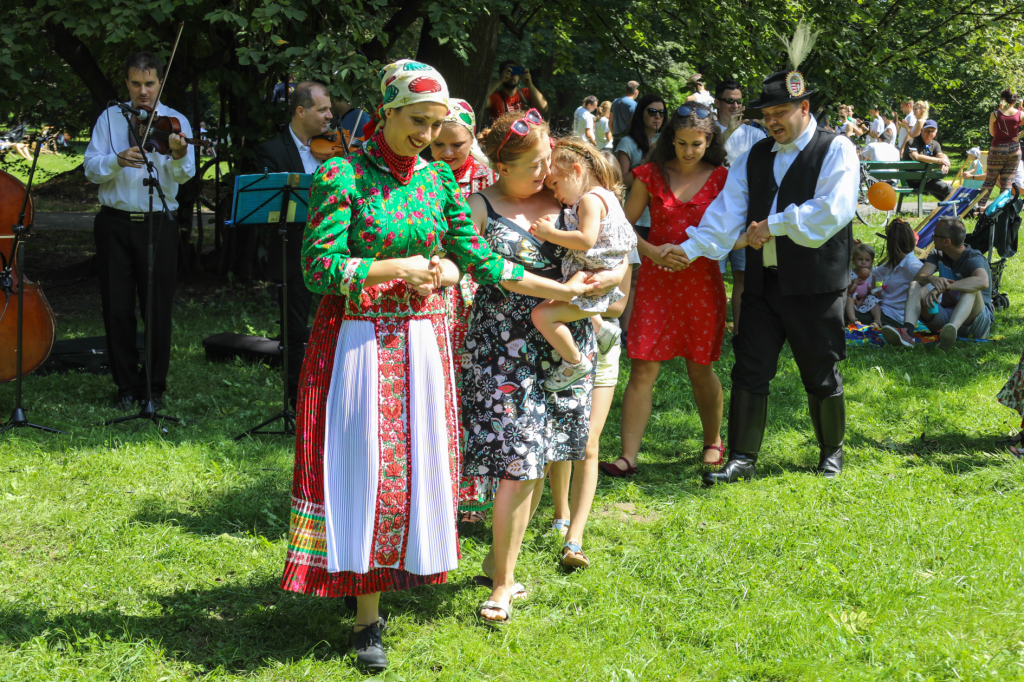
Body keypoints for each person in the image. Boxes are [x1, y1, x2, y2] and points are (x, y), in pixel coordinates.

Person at [281, 61, 560, 671]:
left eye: (436, 124)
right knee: (365, 474)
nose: (426, 134)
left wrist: (562, 293)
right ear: (385, 112)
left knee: (409, 474)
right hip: (357, 344)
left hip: (424, 345)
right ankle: (365, 618)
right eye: (416, 120)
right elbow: (317, 269)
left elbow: (479, 260)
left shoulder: (437, 181)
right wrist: (395, 268)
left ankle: (392, 576)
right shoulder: (341, 175)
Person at [462, 110, 625, 626]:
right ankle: (505, 583)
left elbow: (613, 244)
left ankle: (498, 560)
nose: (544, 172)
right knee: (520, 459)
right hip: (503, 346)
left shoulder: (563, 200)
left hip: (559, 346)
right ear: (501, 165)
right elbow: (490, 273)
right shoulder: (479, 206)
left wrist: (616, 272)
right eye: (533, 164)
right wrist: (563, 290)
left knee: (541, 455)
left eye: (548, 161)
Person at [670, 58, 860, 485]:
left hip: (814, 283)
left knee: (820, 368)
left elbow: (832, 211)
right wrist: (686, 250)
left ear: (804, 109)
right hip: (762, 282)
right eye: (766, 115)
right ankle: (741, 459)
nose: (770, 122)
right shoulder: (753, 155)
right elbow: (725, 214)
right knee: (749, 368)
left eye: (779, 113)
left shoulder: (837, 149)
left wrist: (772, 225)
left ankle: (831, 454)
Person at [600, 103, 730, 476]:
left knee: (700, 367)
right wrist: (652, 251)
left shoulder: (723, 179)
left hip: (701, 280)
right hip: (657, 281)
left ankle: (712, 441)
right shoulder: (649, 174)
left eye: (697, 144)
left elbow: (731, 231)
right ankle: (629, 456)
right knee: (642, 366)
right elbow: (623, 229)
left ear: (710, 142)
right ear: (670, 138)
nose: (688, 151)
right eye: (681, 143)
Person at [83, 51, 196, 412]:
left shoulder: (175, 121)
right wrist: (116, 160)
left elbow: (186, 174)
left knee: (157, 308)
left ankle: (154, 387)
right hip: (114, 222)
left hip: (159, 223)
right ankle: (126, 386)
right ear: (127, 83)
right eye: (135, 83)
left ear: (159, 82)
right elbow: (90, 168)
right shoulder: (110, 117)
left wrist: (177, 156)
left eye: (149, 84)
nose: (142, 91)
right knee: (116, 306)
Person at [428, 98, 500, 524]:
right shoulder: (422, 177)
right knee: (440, 389)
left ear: (473, 139)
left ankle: (473, 494)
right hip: (436, 294)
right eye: (440, 145)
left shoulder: (490, 179)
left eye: (457, 144)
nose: (448, 153)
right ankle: (440, 486)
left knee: (474, 391)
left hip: (480, 296)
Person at [529, 139, 636, 390]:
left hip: (593, 279)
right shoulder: (607, 196)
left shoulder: (589, 200)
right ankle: (602, 330)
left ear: (577, 170)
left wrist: (549, 233)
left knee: (541, 315)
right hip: (599, 273)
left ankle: (575, 361)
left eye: (555, 184)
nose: (555, 194)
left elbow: (586, 239)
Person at [254, 81, 334, 409]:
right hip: (295, 252)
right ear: (301, 112)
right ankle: (298, 400)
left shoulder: (335, 147)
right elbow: (266, 210)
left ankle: (333, 393)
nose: (331, 115)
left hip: (335, 252)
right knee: (295, 330)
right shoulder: (271, 151)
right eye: (323, 110)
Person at [881, 216, 993, 350]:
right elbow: (919, 277)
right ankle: (908, 333)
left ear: (946, 241)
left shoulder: (973, 257)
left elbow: (983, 281)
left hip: (976, 321)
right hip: (945, 315)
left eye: (935, 235)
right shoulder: (938, 253)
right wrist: (930, 278)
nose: (932, 238)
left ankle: (950, 332)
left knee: (971, 289)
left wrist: (946, 287)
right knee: (915, 284)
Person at [715, 79, 766, 332]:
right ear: (717, 103)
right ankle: (712, 329)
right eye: (729, 101)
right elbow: (705, 161)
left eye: (738, 101)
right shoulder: (708, 131)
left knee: (742, 274)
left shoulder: (755, 133)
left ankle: (739, 331)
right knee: (713, 276)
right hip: (714, 213)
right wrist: (727, 133)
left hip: (745, 213)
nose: (735, 106)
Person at [614, 94, 665, 333]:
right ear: (641, 114)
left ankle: (648, 328)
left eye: (661, 113)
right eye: (652, 112)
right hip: (635, 217)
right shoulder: (627, 143)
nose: (657, 117)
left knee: (655, 278)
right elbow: (621, 180)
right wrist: (647, 159)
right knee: (633, 278)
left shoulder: (669, 142)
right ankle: (625, 331)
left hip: (661, 216)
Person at [865, 218, 923, 329]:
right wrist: (857, 255)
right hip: (881, 310)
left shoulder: (912, 266)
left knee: (844, 309)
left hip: (893, 318)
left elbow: (932, 291)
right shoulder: (895, 262)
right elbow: (871, 274)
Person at [977, 89, 1023, 212]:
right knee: (1007, 181)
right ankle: (1002, 209)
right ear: (1015, 100)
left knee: (990, 179)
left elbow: (992, 133)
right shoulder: (1020, 113)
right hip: (1014, 150)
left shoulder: (995, 114)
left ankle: (980, 207)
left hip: (997, 149)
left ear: (1003, 99)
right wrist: (1018, 136)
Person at [903, 119, 952, 200]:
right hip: (915, 180)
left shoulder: (935, 144)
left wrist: (946, 161)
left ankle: (967, 211)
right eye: (927, 131)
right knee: (948, 190)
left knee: (946, 194)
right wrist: (939, 161)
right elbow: (916, 157)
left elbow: (941, 155)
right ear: (921, 130)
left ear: (936, 133)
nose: (929, 133)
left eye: (932, 131)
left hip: (928, 179)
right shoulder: (912, 142)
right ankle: (972, 209)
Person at [845, 244, 881, 326]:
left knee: (873, 299)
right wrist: (852, 282)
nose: (863, 262)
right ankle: (853, 320)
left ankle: (877, 321)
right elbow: (845, 289)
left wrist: (875, 292)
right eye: (860, 259)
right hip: (852, 298)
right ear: (853, 260)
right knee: (849, 299)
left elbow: (871, 291)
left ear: (871, 262)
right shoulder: (849, 273)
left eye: (867, 260)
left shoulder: (871, 276)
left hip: (864, 299)